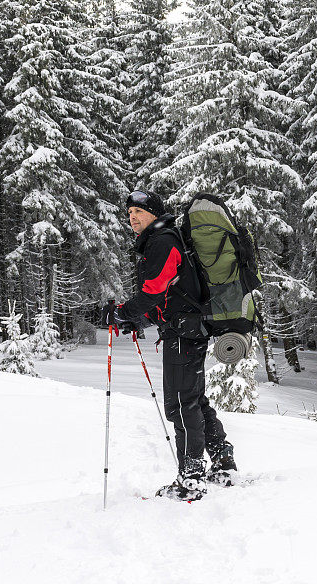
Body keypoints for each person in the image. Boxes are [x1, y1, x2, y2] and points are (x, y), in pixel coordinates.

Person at [102, 189, 237, 500]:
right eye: (130, 213)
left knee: (180, 404)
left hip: (184, 335)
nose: (132, 217)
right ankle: (222, 460)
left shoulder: (163, 242)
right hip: (186, 330)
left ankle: (191, 477)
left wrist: (123, 312)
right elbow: (166, 298)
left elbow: (152, 291)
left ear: (154, 213)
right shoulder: (164, 241)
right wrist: (135, 321)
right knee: (193, 400)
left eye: (138, 211)